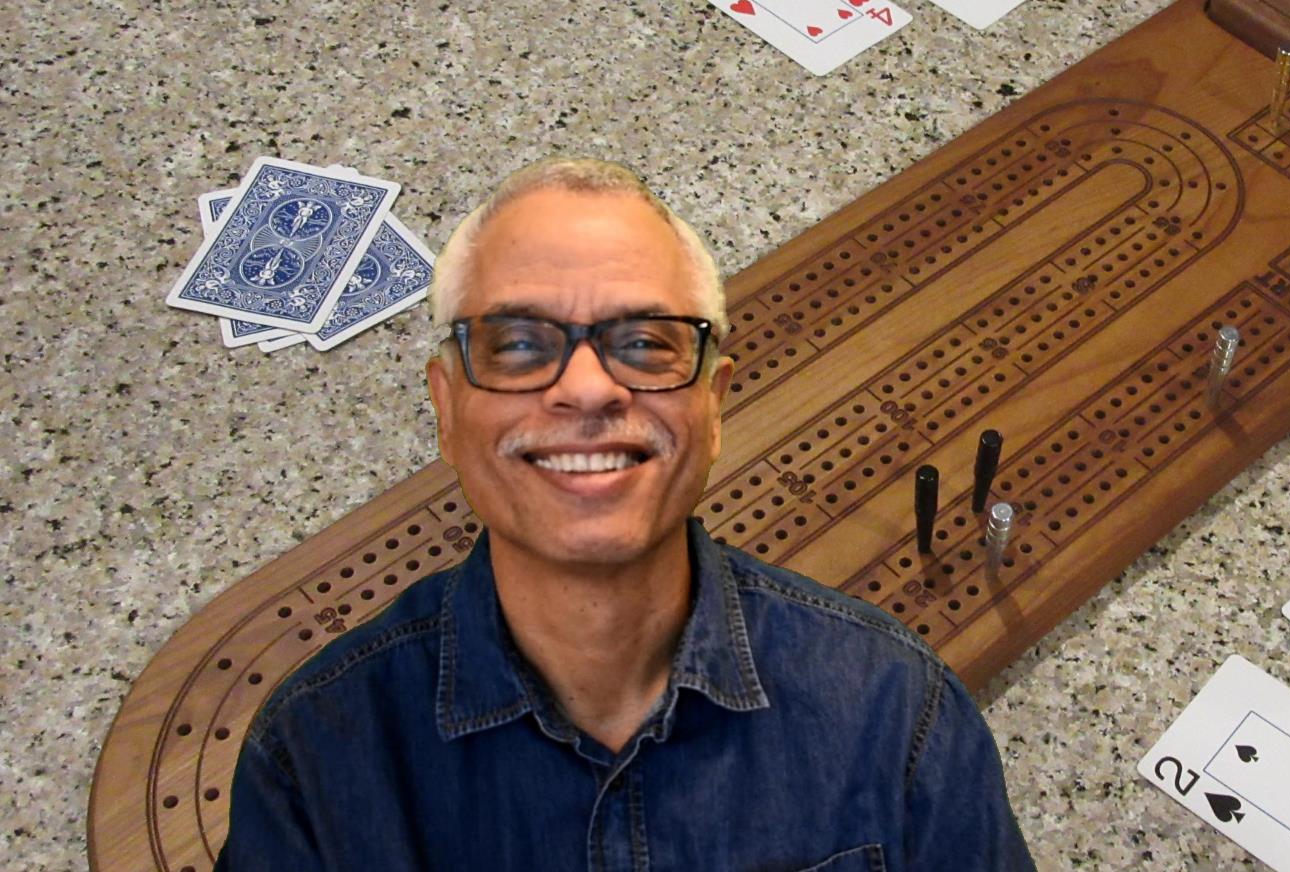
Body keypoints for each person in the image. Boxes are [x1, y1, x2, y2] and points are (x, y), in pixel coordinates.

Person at [217, 157, 1035, 871]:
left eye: (645, 343)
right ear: (447, 409)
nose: (588, 388)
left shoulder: (899, 713)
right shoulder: (312, 762)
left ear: (713, 406)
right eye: (519, 344)